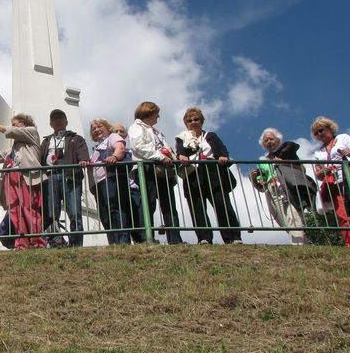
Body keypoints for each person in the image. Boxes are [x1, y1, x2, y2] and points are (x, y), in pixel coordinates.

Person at [175, 107, 242, 244]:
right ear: (186, 123)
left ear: (202, 121)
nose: (193, 122)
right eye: (189, 120)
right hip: (193, 174)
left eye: (196, 119)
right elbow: (180, 152)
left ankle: (233, 237)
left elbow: (222, 150)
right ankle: (204, 238)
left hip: (213, 173)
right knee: (197, 207)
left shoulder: (210, 136)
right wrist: (181, 156)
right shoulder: (182, 137)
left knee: (222, 204)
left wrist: (223, 157)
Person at [0, 114, 46, 249]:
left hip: (26, 177)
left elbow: (10, 131)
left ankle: (37, 242)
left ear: (24, 123)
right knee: (15, 212)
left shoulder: (32, 132)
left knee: (30, 209)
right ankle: (21, 243)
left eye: (15, 123)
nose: (13, 126)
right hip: (10, 179)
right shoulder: (12, 149)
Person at [311, 116, 350, 248]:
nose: (320, 134)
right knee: (344, 215)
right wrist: (325, 171)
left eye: (321, 130)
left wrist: (348, 154)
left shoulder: (343, 138)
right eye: (316, 133)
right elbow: (317, 173)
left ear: (329, 128)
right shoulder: (318, 153)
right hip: (335, 184)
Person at [128, 101, 184, 245]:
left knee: (169, 205)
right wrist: (160, 156)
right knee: (148, 203)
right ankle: (146, 238)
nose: (158, 117)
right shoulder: (136, 127)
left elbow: (165, 147)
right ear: (149, 112)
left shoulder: (156, 131)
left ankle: (175, 239)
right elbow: (139, 146)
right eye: (156, 113)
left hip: (163, 169)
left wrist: (170, 157)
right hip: (147, 168)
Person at [250, 128, 316, 245]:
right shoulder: (262, 162)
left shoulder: (287, 153)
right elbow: (262, 187)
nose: (269, 142)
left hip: (286, 187)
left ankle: (298, 246)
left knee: (292, 214)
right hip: (271, 190)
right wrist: (254, 179)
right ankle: (304, 242)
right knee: (281, 219)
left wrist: (283, 162)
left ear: (278, 140)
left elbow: (301, 169)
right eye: (266, 141)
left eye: (271, 139)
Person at [38, 109, 89, 247]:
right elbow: (38, 158)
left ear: (66, 121)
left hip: (70, 176)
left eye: (61, 117)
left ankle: (76, 245)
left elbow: (82, 153)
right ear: (50, 123)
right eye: (54, 119)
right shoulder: (46, 141)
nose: (58, 120)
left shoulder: (75, 138)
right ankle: (56, 242)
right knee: (51, 213)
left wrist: (83, 159)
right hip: (50, 177)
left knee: (74, 212)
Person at [82, 119, 128, 245]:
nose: (96, 129)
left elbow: (120, 147)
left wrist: (114, 156)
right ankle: (113, 241)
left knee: (114, 209)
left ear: (107, 127)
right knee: (104, 214)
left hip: (109, 179)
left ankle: (122, 241)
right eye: (93, 128)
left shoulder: (112, 137)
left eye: (99, 126)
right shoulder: (97, 147)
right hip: (97, 184)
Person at [112, 122, 147, 244]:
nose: (118, 134)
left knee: (138, 214)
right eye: (115, 131)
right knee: (123, 214)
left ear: (126, 134)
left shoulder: (132, 151)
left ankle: (141, 239)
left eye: (121, 131)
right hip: (118, 187)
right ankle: (125, 241)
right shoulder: (108, 152)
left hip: (133, 187)